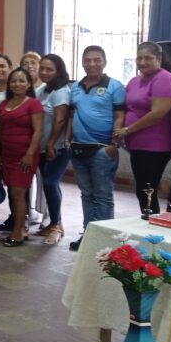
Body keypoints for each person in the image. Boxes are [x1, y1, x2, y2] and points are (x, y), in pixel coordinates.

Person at [67, 46, 125, 251]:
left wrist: (114, 144)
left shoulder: (115, 86)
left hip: (102, 150)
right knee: (86, 194)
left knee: (103, 195)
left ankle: (105, 240)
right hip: (78, 149)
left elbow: (120, 116)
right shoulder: (75, 87)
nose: (92, 64)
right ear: (82, 62)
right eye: (88, 60)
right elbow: (72, 115)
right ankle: (88, 235)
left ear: (105, 62)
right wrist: (68, 140)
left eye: (97, 60)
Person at [113, 42, 171, 214]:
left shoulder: (165, 78)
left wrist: (128, 129)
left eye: (148, 58)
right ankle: (149, 223)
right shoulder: (135, 81)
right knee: (142, 189)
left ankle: (153, 229)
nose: (142, 62)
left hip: (156, 146)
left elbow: (158, 113)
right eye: (139, 58)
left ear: (159, 59)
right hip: (137, 144)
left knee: (147, 189)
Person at [0, 69, 43, 247]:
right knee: (12, 194)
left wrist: (30, 153)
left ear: (29, 84)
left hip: (25, 156)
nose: (17, 84)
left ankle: (17, 234)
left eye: (22, 81)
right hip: (7, 154)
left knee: (18, 193)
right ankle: (19, 227)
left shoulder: (34, 104)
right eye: (14, 81)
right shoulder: (3, 104)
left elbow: (38, 131)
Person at [36, 54, 71, 246]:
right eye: (42, 68)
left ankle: (56, 225)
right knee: (50, 184)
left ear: (58, 71)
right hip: (41, 147)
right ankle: (55, 222)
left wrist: (50, 143)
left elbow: (60, 119)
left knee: (50, 183)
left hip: (56, 148)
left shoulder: (61, 92)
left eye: (49, 69)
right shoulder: (43, 89)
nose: (44, 72)